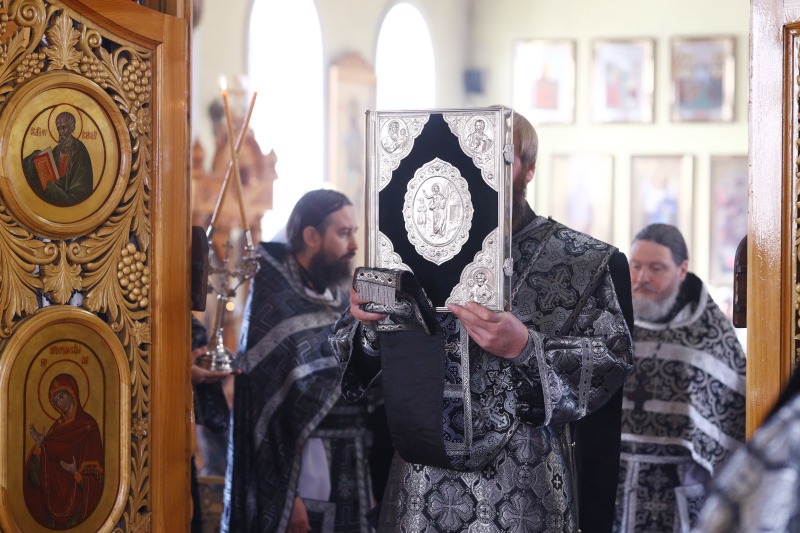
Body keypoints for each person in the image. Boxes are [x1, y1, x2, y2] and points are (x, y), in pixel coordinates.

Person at [331, 110, 635, 533]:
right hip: (420, 485)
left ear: (529, 169)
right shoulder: (408, 248)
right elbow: (365, 363)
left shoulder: (580, 261)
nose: (483, 170)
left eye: (500, 158)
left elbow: (611, 360)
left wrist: (525, 348)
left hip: (526, 487)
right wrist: (367, 320)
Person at [222, 190, 372, 533]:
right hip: (301, 470)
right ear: (311, 236)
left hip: (352, 459)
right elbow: (263, 411)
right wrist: (287, 499)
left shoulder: (337, 293)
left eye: (354, 232)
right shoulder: (274, 301)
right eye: (343, 233)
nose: (353, 244)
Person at [614, 224, 746, 533]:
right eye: (636, 266)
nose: (643, 277)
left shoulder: (708, 333)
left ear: (682, 269)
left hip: (682, 485)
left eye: (656, 268)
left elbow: (733, 413)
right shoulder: (610, 319)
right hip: (612, 478)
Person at [24, 374, 104, 529]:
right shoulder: (56, 429)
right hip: (52, 497)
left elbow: (97, 480)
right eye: (55, 400)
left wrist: (75, 473)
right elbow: (37, 477)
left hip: (77, 499)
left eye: (62, 396)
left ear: (73, 393)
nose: (60, 402)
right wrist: (40, 445)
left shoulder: (89, 426)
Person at [23, 111, 94, 206]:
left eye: (63, 128)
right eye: (58, 128)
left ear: (71, 128)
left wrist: (57, 188)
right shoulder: (57, 150)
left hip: (73, 197)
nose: (60, 132)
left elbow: (82, 183)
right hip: (56, 192)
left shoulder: (80, 150)